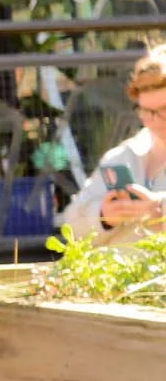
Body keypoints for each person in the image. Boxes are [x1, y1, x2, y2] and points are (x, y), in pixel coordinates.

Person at [60, 44, 166, 244]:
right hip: (124, 274)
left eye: (164, 109)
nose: (155, 119)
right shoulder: (123, 155)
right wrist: (103, 216)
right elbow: (71, 224)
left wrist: (159, 208)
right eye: (146, 110)